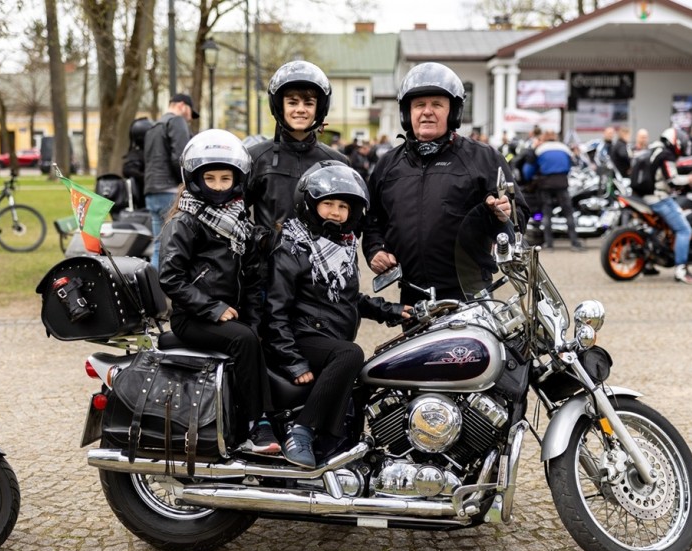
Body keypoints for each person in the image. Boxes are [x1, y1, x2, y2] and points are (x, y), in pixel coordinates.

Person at [264, 161, 409, 467]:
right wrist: (292, 359)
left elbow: (350, 298)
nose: (335, 212)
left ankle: (340, 450)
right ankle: (300, 431)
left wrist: (394, 311)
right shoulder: (293, 247)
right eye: (327, 203)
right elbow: (275, 311)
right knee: (350, 355)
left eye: (343, 206)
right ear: (309, 205)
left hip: (327, 337)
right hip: (301, 337)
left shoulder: (341, 247)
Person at [362, 62, 528, 306]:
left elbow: (520, 214)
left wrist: (505, 213)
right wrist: (374, 250)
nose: (427, 112)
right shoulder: (388, 165)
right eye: (419, 105)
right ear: (407, 113)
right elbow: (371, 220)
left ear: (453, 112)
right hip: (413, 296)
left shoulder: (483, 158)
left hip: (470, 293)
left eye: (437, 104)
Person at [158, 129, 280, 454]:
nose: (218, 185)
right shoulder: (184, 222)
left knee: (261, 335)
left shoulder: (239, 223)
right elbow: (170, 278)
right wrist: (212, 309)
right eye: (210, 178)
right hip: (193, 316)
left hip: (231, 313)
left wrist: (255, 322)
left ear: (238, 180)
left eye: (225, 178)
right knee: (243, 340)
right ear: (195, 179)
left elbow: (253, 281)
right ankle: (258, 425)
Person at [246, 61, 348, 234]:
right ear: (280, 106)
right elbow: (233, 212)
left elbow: (351, 220)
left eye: (308, 103)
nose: (301, 109)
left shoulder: (336, 162)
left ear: (318, 108)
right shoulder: (256, 158)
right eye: (292, 103)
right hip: (269, 260)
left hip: (320, 259)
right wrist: (260, 241)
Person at [641, 127, 692, 284]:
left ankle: (648, 263)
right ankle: (681, 270)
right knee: (684, 230)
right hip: (659, 197)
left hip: (644, 197)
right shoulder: (666, 155)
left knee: (657, 229)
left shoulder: (653, 149)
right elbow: (672, 179)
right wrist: (689, 179)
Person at [144, 93, 199, 267]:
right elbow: (181, 158)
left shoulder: (153, 127)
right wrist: (190, 184)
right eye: (190, 114)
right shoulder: (176, 121)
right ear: (182, 106)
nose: (189, 120)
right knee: (177, 248)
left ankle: (151, 291)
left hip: (152, 192)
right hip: (170, 192)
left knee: (159, 247)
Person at [521, 130, 583, 251]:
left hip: (546, 184)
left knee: (547, 213)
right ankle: (574, 243)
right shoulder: (564, 148)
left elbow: (528, 171)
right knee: (568, 213)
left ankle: (549, 244)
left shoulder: (540, 149)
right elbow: (571, 166)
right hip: (562, 183)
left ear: (544, 137)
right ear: (555, 137)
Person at [122, 117, 153, 212]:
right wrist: (148, 178)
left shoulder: (139, 153)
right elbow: (127, 169)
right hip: (143, 200)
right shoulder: (137, 155)